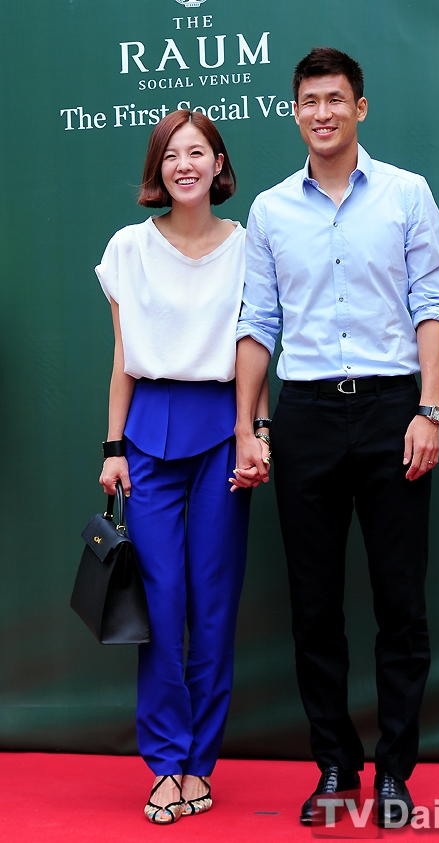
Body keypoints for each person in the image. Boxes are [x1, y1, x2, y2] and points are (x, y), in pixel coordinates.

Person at [232, 47, 439, 827]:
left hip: (395, 410)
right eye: (309, 101)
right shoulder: (269, 211)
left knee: (401, 602)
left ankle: (394, 770)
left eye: (335, 99)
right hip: (307, 417)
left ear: (360, 107)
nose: (321, 113)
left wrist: (428, 410)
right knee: (314, 605)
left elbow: (432, 302)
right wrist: (249, 427)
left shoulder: (406, 194)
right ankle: (334, 764)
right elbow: (258, 322)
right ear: (294, 112)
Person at [96, 109, 269, 825]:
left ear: (218, 164)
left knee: (214, 601)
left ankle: (202, 762)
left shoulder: (250, 246)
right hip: (148, 435)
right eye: (171, 155)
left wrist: (257, 432)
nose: (184, 165)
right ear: (157, 169)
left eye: (197, 152)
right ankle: (166, 763)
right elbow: (122, 354)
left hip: (225, 429)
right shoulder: (128, 247)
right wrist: (112, 448)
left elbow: (258, 346)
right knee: (161, 603)